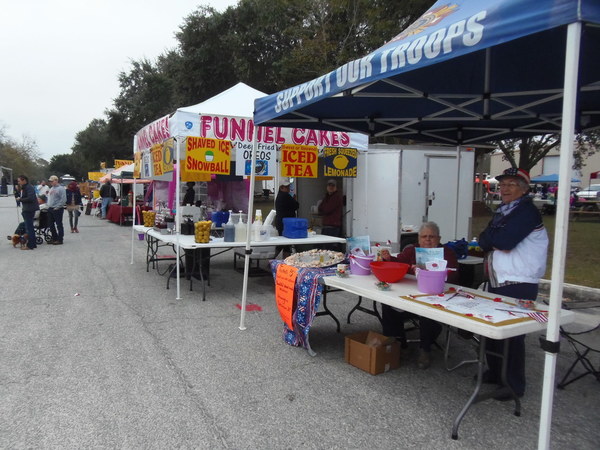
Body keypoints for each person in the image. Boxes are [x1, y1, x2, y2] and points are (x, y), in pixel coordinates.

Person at [478, 167, 548, 401]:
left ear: (524, 189)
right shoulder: (504, 211)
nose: (505, 189)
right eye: (503, 184)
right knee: (492, 329)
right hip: (500, 279)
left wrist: (490, 240)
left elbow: (504, 241)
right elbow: (484, 239)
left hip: (520, 282)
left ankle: (514, 384)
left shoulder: (527, 212)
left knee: (512, 335)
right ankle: (497, 373)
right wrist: (489, 240)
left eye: (511, 184)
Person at [380, 222, 459, 369]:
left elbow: (454, 274)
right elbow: (399, 262)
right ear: (419, 238)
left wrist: (435, 272)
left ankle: (425, 349)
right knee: (388, 305)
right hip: (411, 293)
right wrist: (389, 258)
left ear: (439, 238)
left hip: (436, 294)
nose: (428, 240)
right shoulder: (412, 250)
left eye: (431, 237)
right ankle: (399, 345)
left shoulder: (447, 253)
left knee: (427, 311)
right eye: (424, 237)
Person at [15, 175, 39, 250]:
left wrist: (20, 199)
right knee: (28, 227)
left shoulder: (29, 187)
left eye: (19, 181)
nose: (18, 182)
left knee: (29, 228)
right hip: (26, 209)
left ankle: (30, 245)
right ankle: (33, 243)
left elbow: (31, 198)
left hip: (29, 209)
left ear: (24, 180)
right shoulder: (24, 187)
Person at [47, 175, 67, 245]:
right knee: (50, 224)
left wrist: (58, 206)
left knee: (59, 224)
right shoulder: (51, 188)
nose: (51, 183)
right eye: (50, 181)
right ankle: (54, 237)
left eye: (52, 181)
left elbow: (63, 199)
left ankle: (60, 239)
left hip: (57, 209)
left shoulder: (61, 189)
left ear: (56, 181)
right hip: (50, 208)